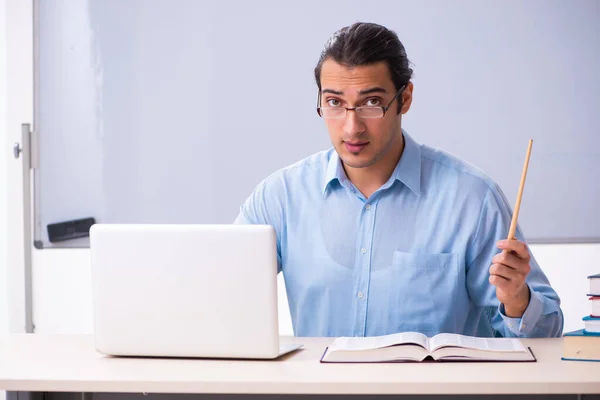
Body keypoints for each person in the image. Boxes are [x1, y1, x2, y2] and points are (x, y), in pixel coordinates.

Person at [234, 22, 563, 338]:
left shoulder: (473, 200)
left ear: (404, 99)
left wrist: (517, 300)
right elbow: (223, 288)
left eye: (372, 103)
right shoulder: (280, 197)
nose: (352, 127)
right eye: (334, 102)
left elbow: (547, 333)